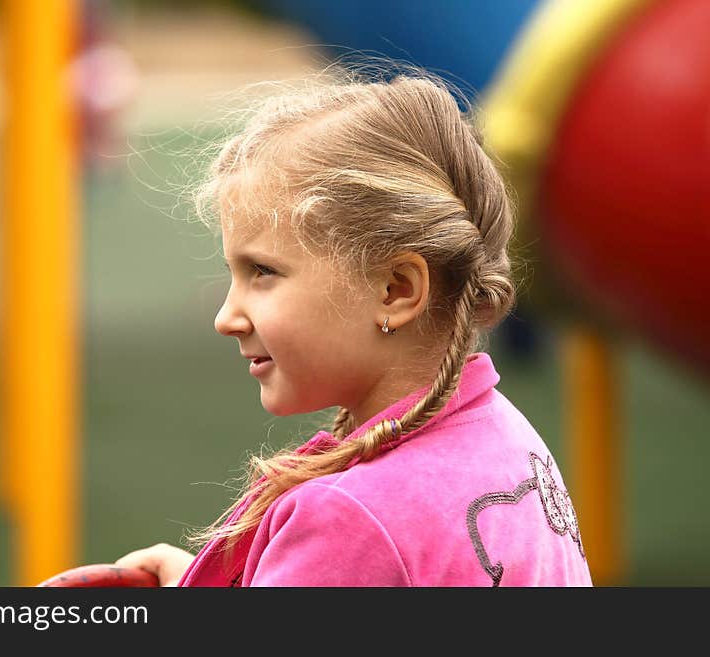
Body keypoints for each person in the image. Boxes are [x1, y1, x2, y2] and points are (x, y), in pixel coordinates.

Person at [115, 66, 593, 587]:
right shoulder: (506, 440)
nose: (225, 317)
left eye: (263, 272)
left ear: (396, 289)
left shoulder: (347, 521)